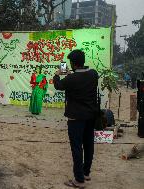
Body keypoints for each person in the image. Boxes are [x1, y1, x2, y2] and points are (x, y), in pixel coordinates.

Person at [53, 50, 98, 188]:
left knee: (77, 147)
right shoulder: (93, 74)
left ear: (72, 64)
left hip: (75, 117)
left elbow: (58, 85)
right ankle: (85, 172)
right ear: (83, 61)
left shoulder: (70, 79)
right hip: (91, 115)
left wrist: (57, 74)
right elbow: (81, 77)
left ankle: (79, 180)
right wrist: (71, 74)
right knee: (89, 144)